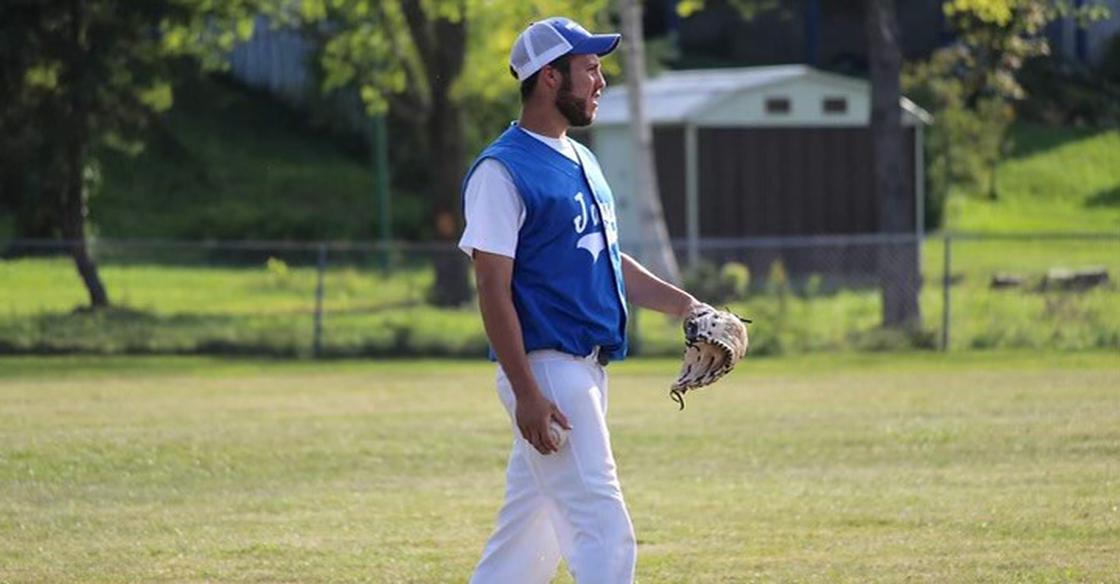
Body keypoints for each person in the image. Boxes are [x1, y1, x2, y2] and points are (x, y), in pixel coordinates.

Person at [459, 17, 701, 584]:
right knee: (602, 521)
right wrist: (526, 392)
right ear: (549, 78)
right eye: (589, 67)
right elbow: (492, 289)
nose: (601, 80)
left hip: (583, 368)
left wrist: (688, 307)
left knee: (530, 534)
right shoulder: (502, 168)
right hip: (547, 367)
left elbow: (611, 264)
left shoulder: (579, 159)